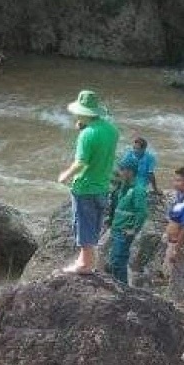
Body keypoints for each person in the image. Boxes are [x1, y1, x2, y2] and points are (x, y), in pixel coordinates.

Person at [58, 90, 120, 274]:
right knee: (95, 225)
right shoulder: (111, 130)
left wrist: (65, 175)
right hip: (103, 186)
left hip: (85, 187)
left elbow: (81, 163)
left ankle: (85, 265)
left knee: (83, 225)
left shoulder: (87, 134)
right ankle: (87, 260)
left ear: (83, 113)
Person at [108, 163, 148, 285]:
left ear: (130, 172)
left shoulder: (138, 190)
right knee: (114, 260)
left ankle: (122, 287)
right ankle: (117, 285)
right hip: (116, 228)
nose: (120, 173)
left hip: (124, 231)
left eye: (122, 170)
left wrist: (134, 230)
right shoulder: (123, 187)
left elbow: (142, 213)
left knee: (119, 260)